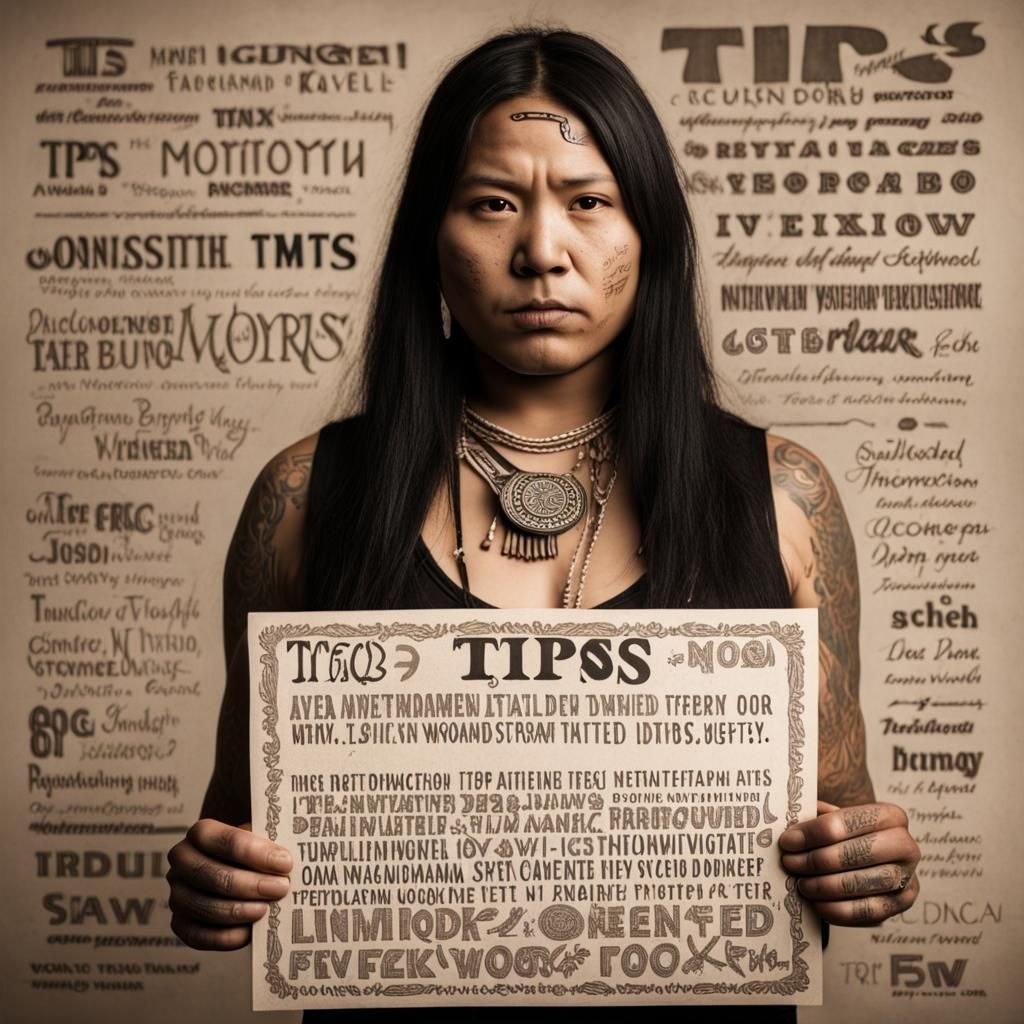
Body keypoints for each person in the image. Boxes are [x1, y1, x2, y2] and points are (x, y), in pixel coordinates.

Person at [166, 25, 920, 1017]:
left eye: (589, 202)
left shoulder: (781, 493)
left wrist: (871, 863)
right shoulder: (306, 495)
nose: (539, 252)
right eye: (491, 204)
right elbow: (234, 829)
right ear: (432, 239)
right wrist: (211, 884)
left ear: (646, 233)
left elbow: (846, 812)